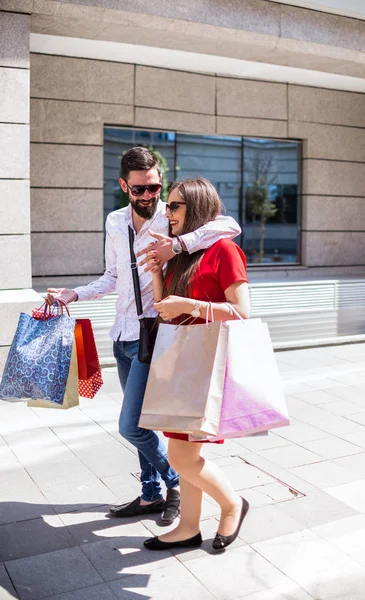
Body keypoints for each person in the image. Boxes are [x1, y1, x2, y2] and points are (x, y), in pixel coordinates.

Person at [46, 147, 241, 524]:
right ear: (124, 186)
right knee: (141, 422)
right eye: (140, 190)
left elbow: (229, 226)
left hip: (157, 336)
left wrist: (177, 244)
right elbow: (112, 276)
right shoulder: (115, 222)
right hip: (122, 333)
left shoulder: (174, 222)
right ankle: (150, 492)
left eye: (155, 188)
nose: (150, 197)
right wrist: (75, 293)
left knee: (131, 425)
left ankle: (176, 481)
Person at [143, 177, 250, 552]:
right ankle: (188, 526)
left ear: (197, 209)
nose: (167, 213)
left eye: (174, 206)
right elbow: (163, 311)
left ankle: (232, 503)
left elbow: (241, 312)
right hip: (177, 362)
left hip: (205, 364)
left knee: (182, 457)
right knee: (186, 449)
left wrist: (189, 305)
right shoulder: (181, 254)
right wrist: (157, 272)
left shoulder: (224, 250)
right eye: (167, 206)